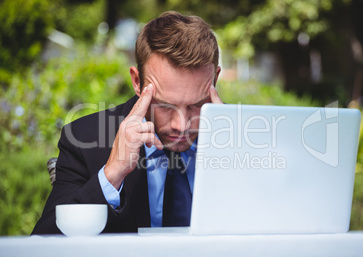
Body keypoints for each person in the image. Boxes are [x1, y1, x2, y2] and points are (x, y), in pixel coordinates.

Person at [32, 11, 223, 234]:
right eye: (163, 105)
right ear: (137, 81)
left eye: (196, 105)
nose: (180, 125)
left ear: (215, 80)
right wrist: (112, 175)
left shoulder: (246, 140)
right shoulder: (84, 140)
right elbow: (44, 241)